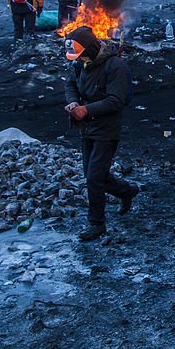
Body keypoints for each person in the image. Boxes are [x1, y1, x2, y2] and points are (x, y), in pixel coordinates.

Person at [64, 25, 139, 241]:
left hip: (107, 129)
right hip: (86, 128)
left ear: (89, 49)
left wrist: (86, 110)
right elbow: (70, 85)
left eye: (80, 56)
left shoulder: (115, 67)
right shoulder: (80, 64)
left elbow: (116, 100)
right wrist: (73, 103)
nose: (77, 60)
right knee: (93, 174)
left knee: (94, 178)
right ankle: (126, 191)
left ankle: (96, 224)